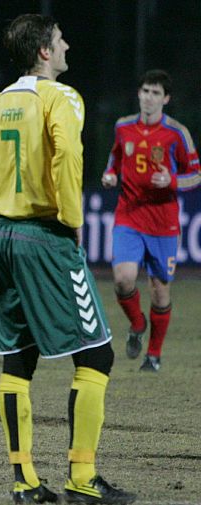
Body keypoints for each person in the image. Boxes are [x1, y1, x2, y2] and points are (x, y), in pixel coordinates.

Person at [0, 14, 135, 504]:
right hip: (46, 236)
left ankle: (25, 481)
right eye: (60, 39)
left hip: (4, 237)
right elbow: (67, 154)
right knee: (96, 353)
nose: (68, 44)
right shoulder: (59, 97)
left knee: (19, 357)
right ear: (45, 52)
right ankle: (83, 478)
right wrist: (73, 218)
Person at [101, 69, 200, 372]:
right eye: (145, 91)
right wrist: (111, 174)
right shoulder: (123, 127)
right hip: (129, 215)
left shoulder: (176, 133)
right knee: (122, 279)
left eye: (156, 93)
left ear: (166, 99)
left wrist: (171, 180)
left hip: (163, 223)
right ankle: (137, 323)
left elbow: (195, 175)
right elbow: (115, 157)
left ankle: (153, 355)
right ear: (139, 94)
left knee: (159, 289)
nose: (148, 97)